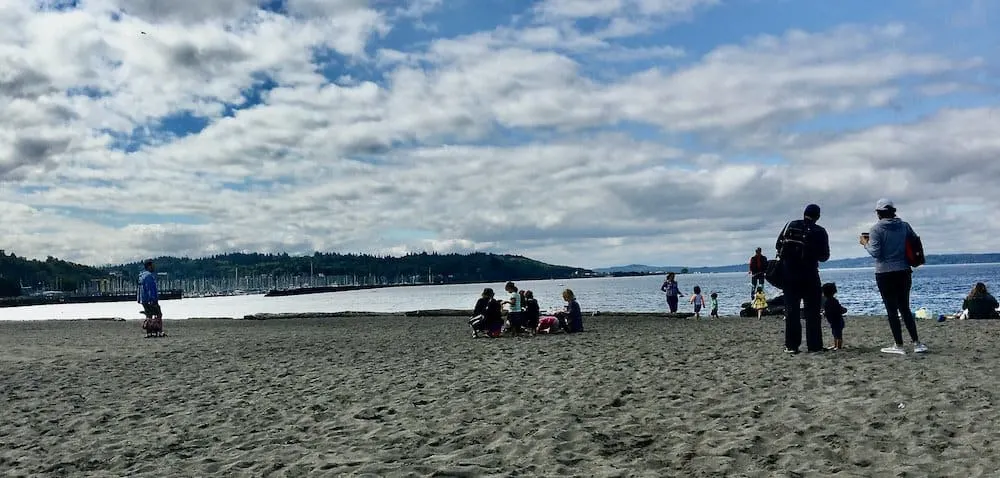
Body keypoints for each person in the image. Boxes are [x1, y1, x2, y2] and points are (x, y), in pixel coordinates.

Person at [861, 198, 928, 354]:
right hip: (903, 270)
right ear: (893, 211)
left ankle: (899, 345)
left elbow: (876, 253)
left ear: (878, 213)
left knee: (891, 310)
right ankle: (917, 343)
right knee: (905, 308)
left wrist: (865, 243)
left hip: (884, 272)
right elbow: (914, 241)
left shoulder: (876, 229)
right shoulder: (904, 226)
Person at [776, 204, 830, 354]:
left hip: (789, 275)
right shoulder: (820, 231)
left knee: (791, 312)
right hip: (810, 275)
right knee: (812, 312)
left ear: (804, 213)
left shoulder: (791, 225)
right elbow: (825, 256)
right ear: (818, 216)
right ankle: (814, 346)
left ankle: (792, 346)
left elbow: (778, 246)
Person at [138, 259, 164, 337]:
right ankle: (159, 331)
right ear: (149, 266)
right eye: (152, 265)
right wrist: (152, 299)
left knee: (149, 315)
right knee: (158, 314)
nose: (154, 267)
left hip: (143, 299)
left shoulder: (141, 276)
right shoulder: (149, 276)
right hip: (150, 299)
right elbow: (150, 289)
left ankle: (149, 332)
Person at [822, 282, 846, 350]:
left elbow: (838, 309)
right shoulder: (830, 301)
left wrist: (843, 310)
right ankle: (835, 345)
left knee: (838, 334)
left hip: (837, 320)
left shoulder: (831, 301)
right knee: (835, 333)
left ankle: (838, 346)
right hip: (834, 320)